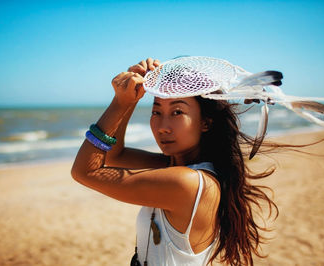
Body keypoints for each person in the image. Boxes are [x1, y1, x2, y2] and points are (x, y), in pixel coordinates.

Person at [71, 58, 278, 266]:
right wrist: (131, 97)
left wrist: (120, 102)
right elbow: (114, 156)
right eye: (156, 111)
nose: (163, 126)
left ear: (205, 122)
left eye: (177, 112)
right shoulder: (175, 167)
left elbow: (83, 172)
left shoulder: (187, 183)